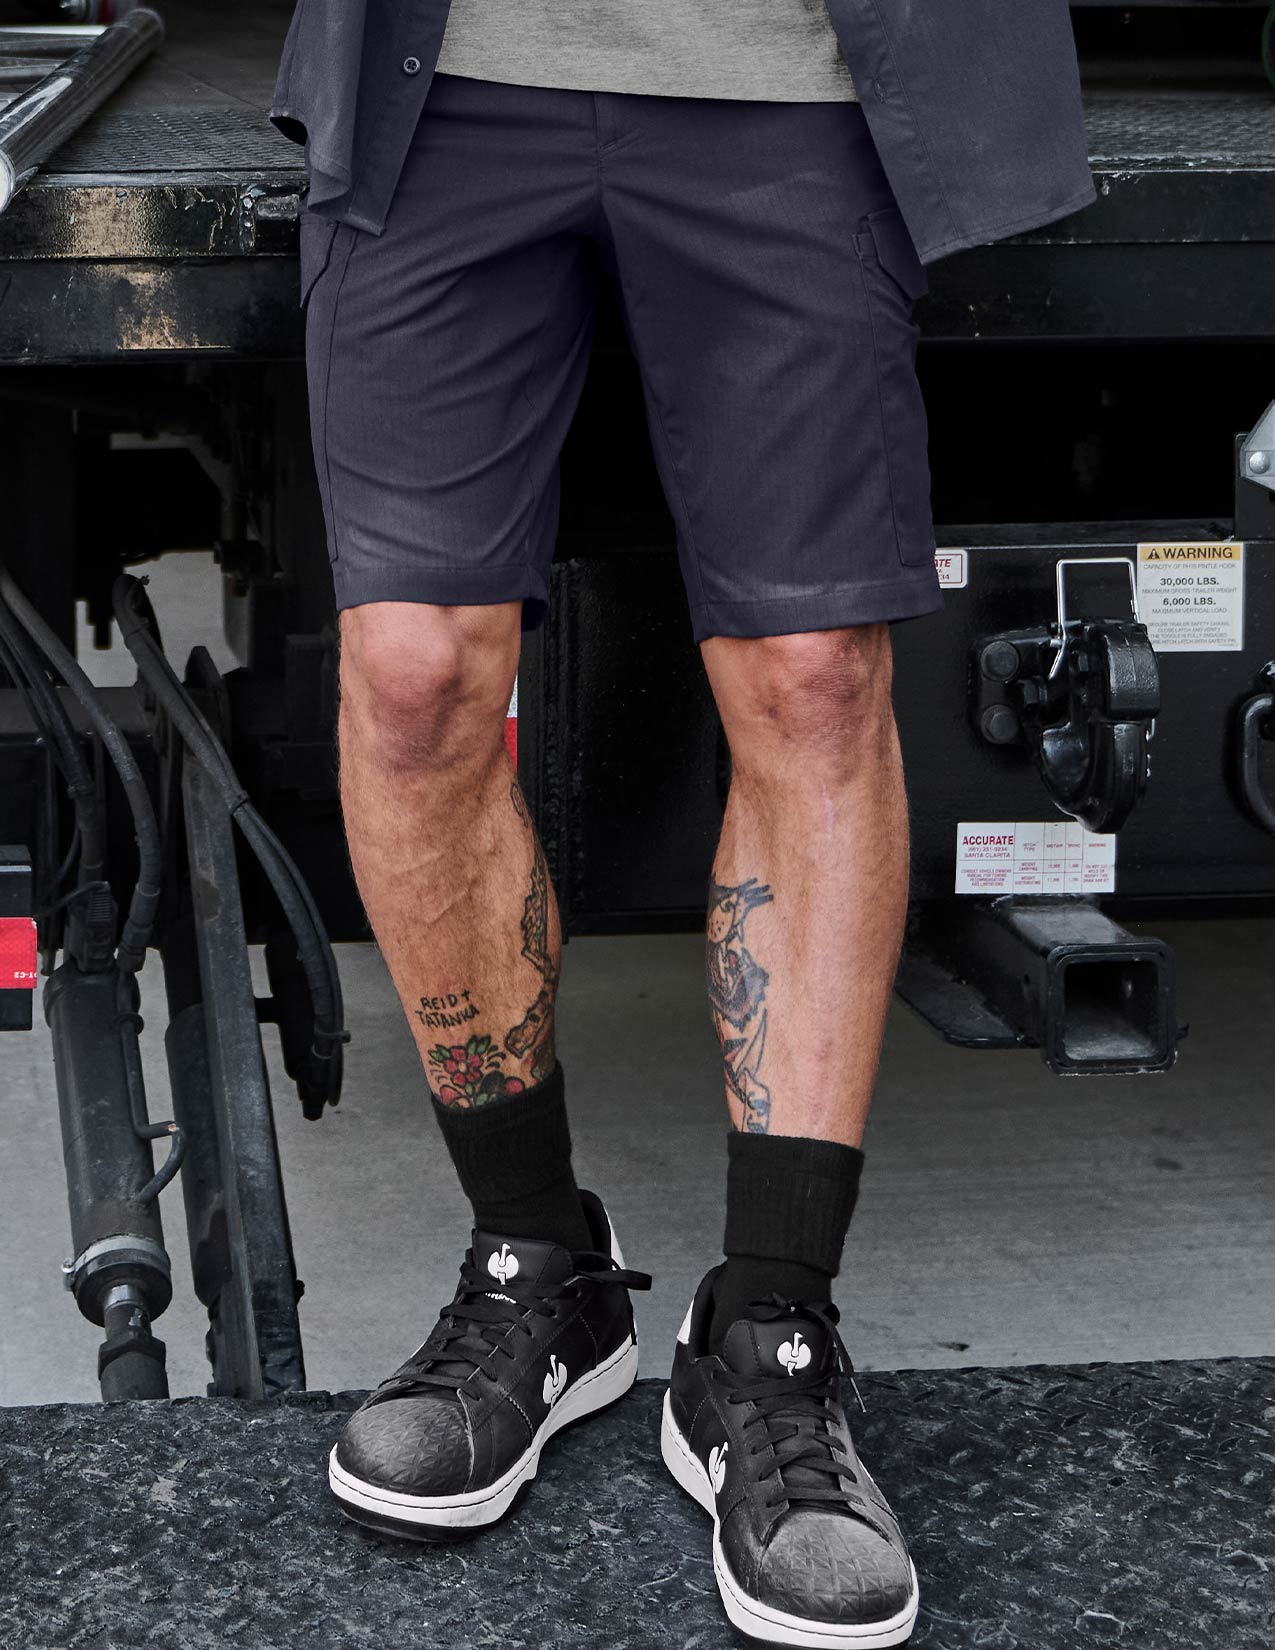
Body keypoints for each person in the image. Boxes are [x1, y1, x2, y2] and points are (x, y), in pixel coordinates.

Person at [270, 3, 1094, 1642]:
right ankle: (537, 1271)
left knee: (809, 677)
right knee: (415, 672)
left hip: (786, 73)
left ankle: (769, 1341)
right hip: (456, 78)